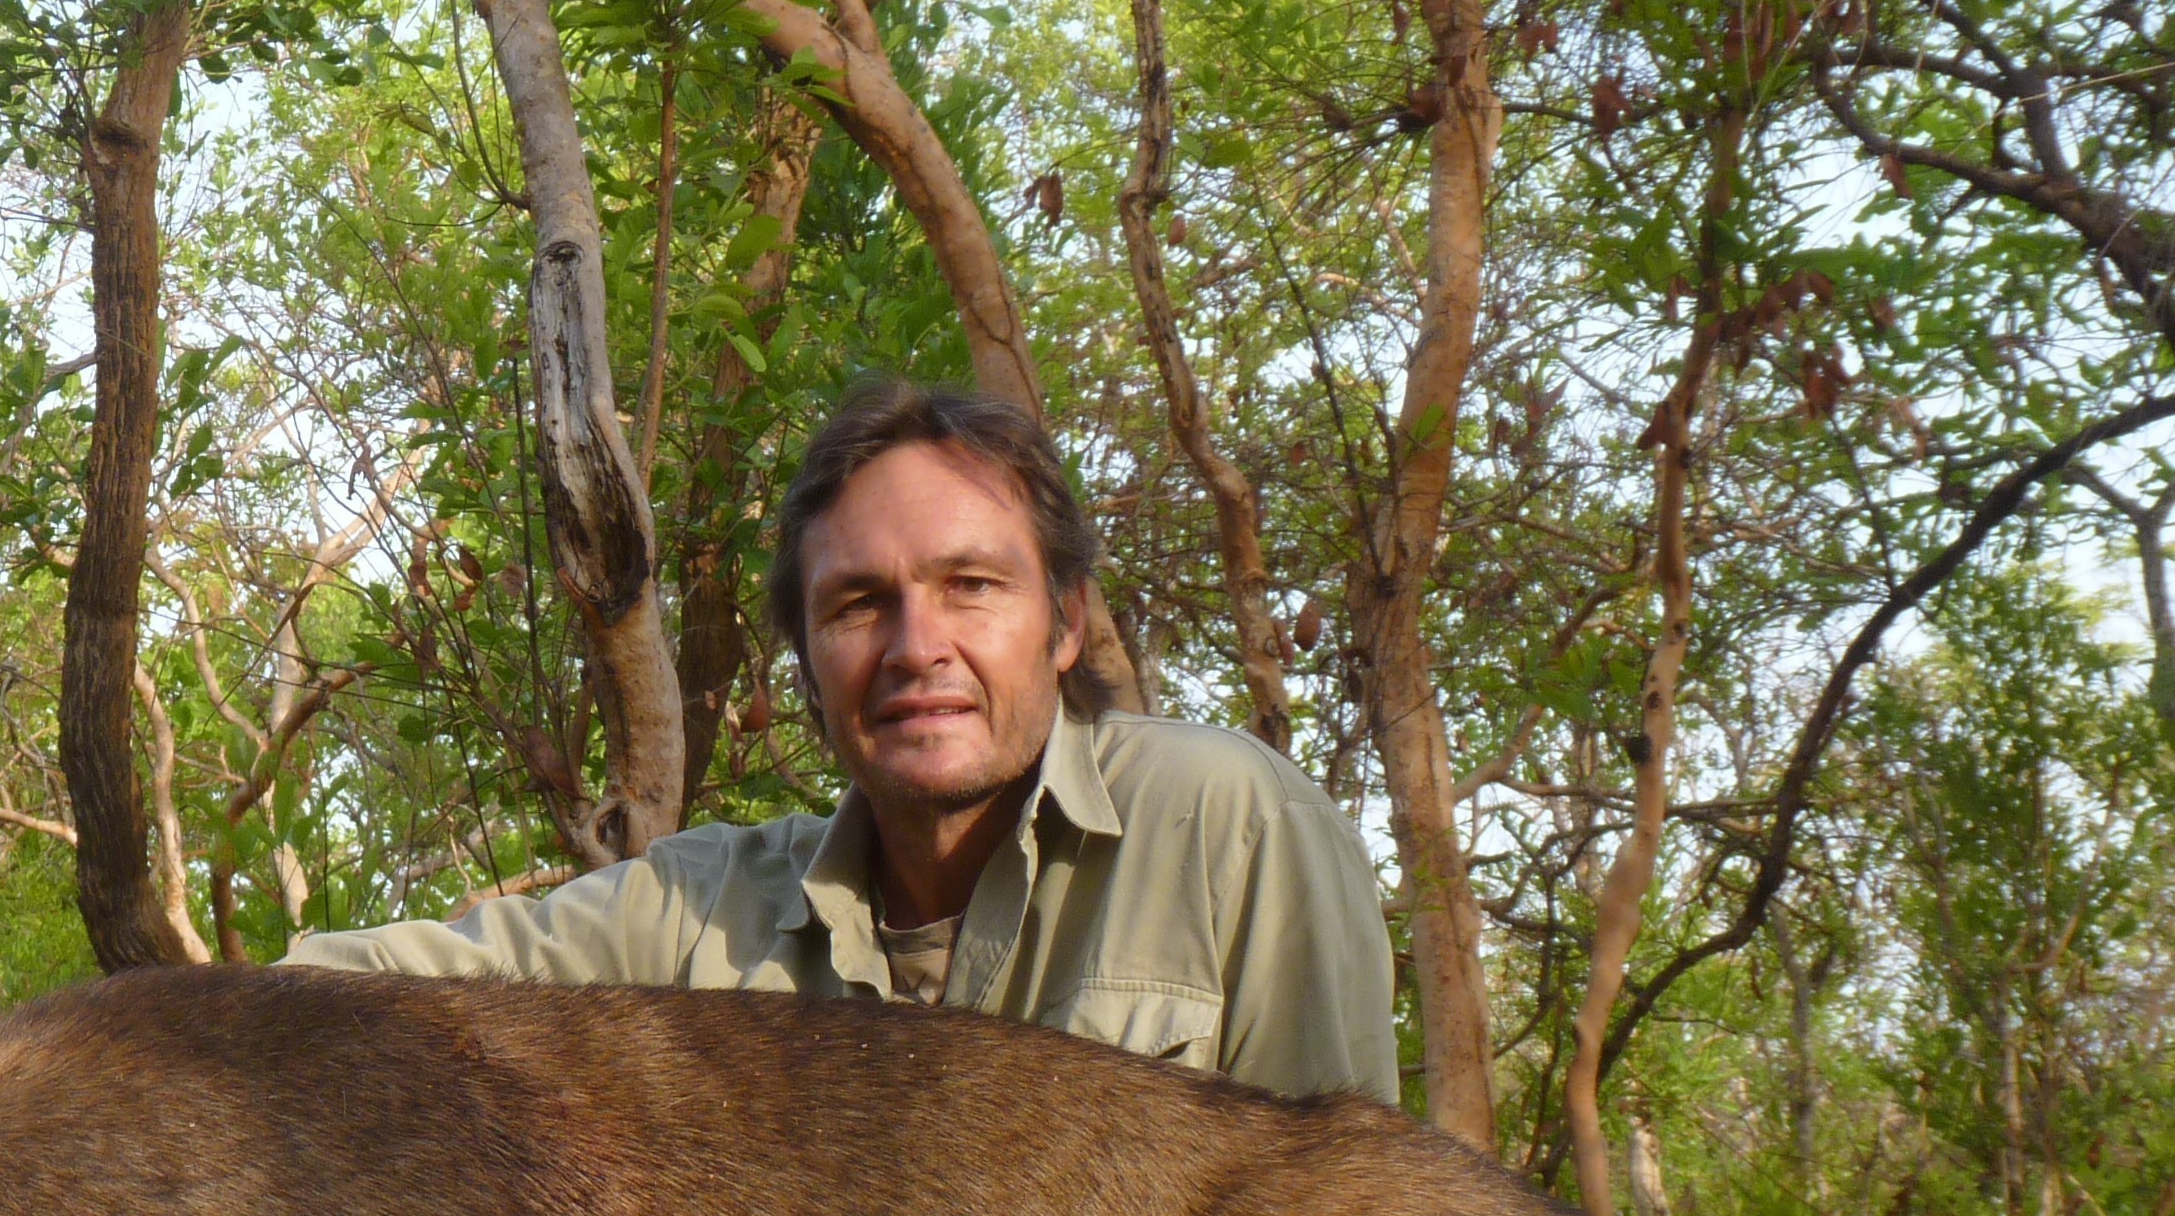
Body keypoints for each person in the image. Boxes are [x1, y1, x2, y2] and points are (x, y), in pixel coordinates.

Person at [285, 374, 1404, 1104]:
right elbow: (367, 991)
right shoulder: (702, 906)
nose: (917, 646)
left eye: (971, 586)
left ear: (1064, 625)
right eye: (858, 605)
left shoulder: (1226, 822)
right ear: (807, 664)